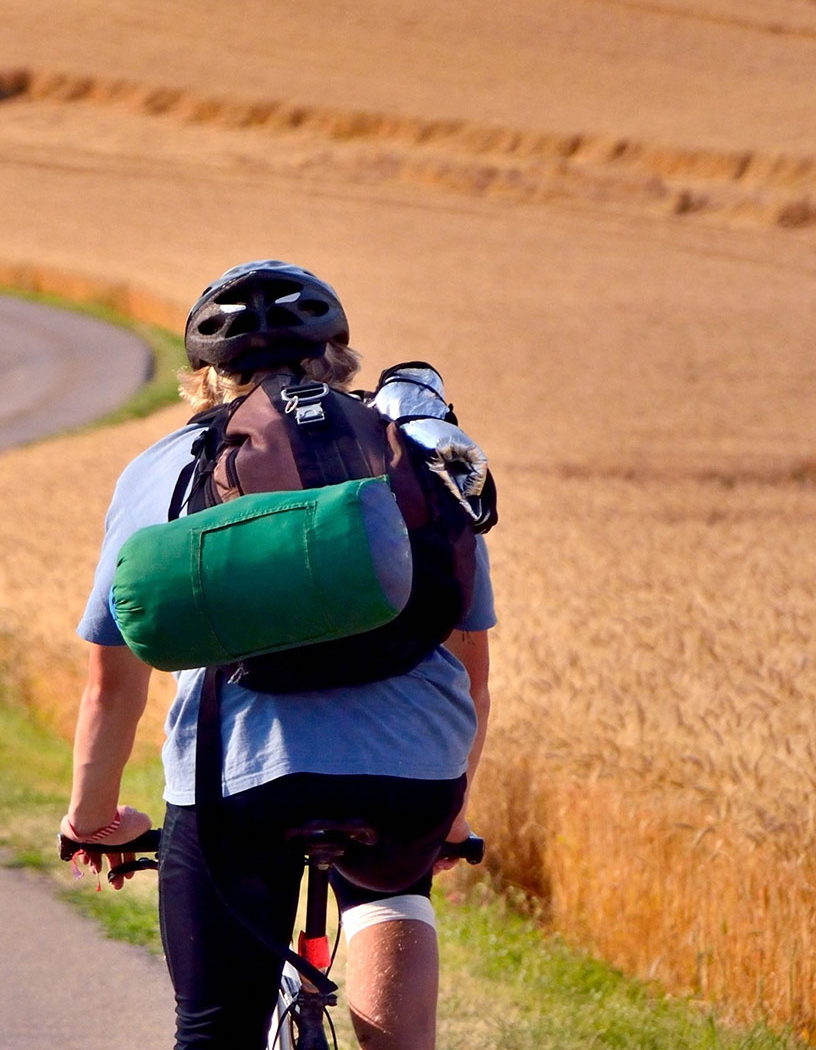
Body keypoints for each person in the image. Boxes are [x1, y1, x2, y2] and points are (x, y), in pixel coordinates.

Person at [61, 260, 494, 1050]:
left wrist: (93, 817)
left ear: (205, 378)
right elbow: (469, 657)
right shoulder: (410, 455)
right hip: (410, 771)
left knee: (216, 1027)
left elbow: (111, 678)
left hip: (236, 777)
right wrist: (450, 811)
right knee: (387, 890)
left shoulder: (161, 470)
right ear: (340, 361)